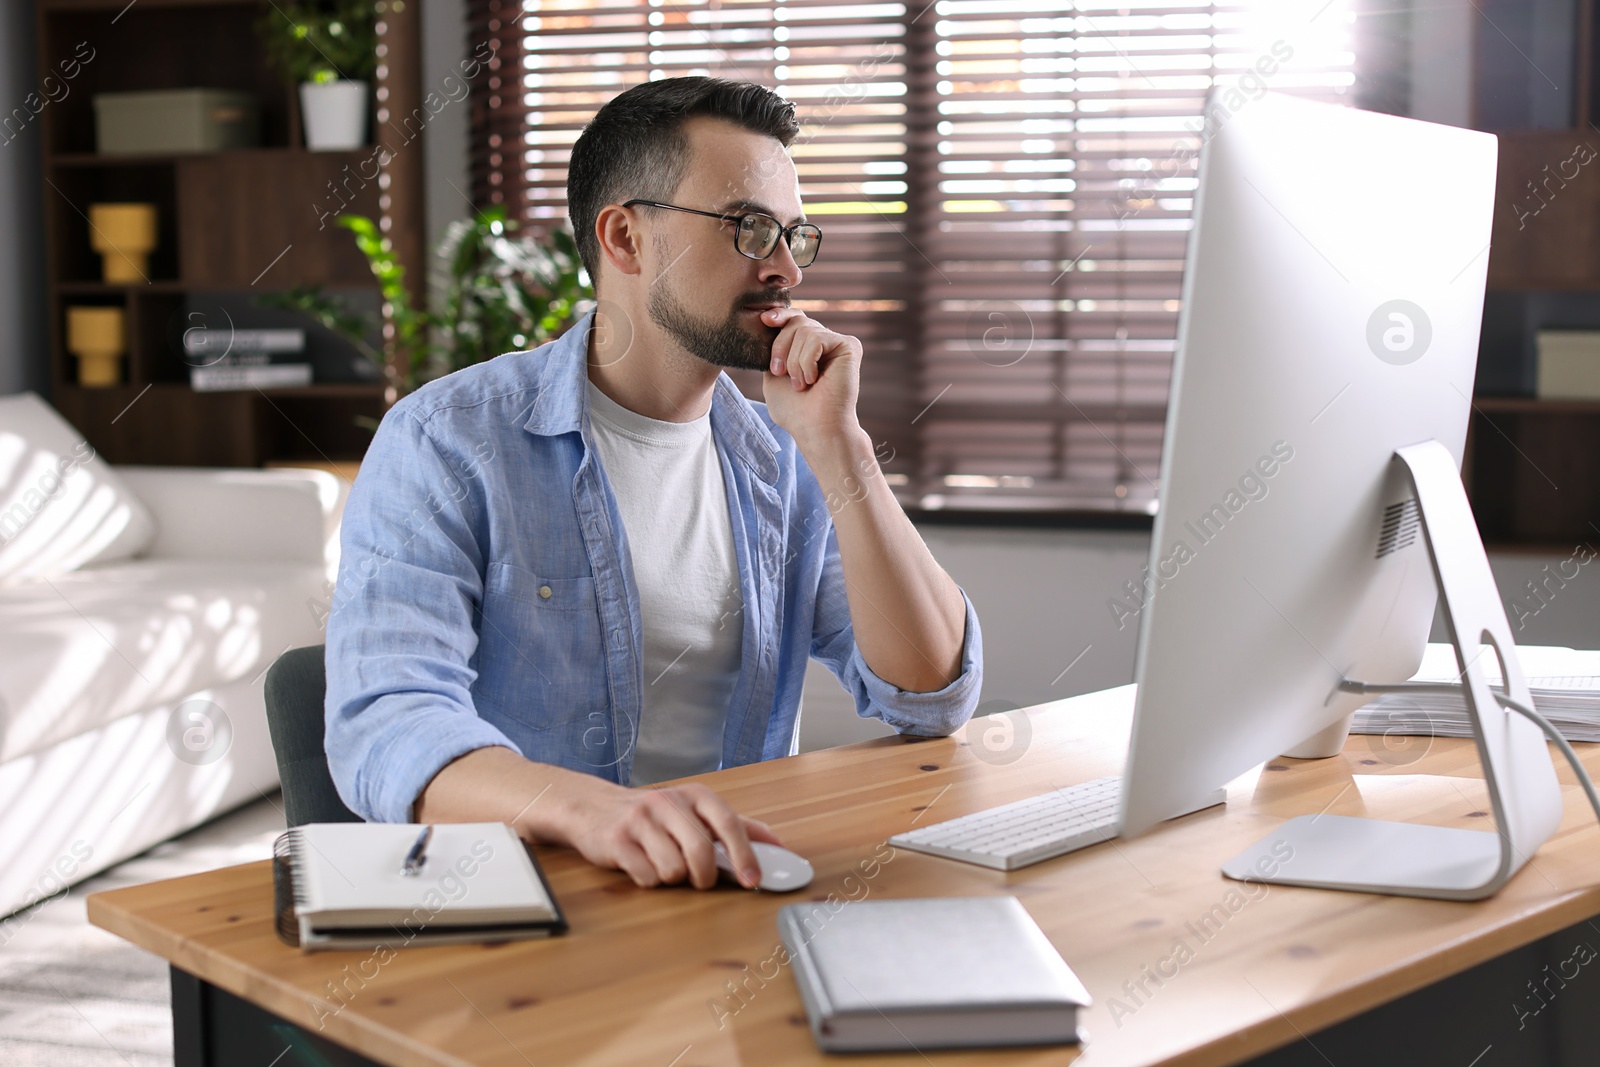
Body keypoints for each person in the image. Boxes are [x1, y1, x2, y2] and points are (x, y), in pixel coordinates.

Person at [324, 76, 983, 891]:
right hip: (536, 907)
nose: (786, 269)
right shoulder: (446, 442)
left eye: (794, 236)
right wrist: (595, 810)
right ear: (626, 239)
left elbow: (929, 696)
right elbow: (387, 724)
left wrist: (841, 447)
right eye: (748, 228)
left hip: (729, 893)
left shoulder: (785, 459)